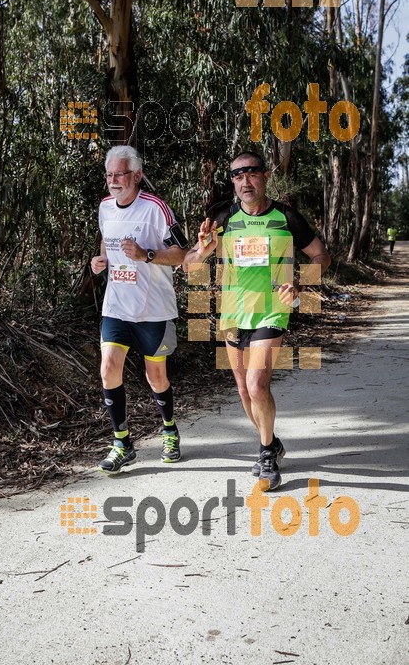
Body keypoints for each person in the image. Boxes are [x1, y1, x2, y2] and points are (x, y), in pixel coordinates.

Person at [183, 151, 331, 490]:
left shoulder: (287, 217)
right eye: (237, 175)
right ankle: (273, 442)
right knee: (243, 392)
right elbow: (190, 265)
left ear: (265, 176)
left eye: (251, 173)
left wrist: (301, 283)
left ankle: (265, 452)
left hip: (271, 310)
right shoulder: (221, 217)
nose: (244, 181)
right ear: (232, 182)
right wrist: (203, 251)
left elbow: (322, 255)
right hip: (233, 314)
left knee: (256, 384)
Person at [91, 145, 188, 474]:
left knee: (155, 376)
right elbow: (107, 239)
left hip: (153, 310)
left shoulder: (156, 208)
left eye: (119, 174)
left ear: (137, 175)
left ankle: (170, 429)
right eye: (109, 175)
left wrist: (146, 254)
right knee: (108, 370)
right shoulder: (105, 207)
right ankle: (122, 443)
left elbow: (182, 254)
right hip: (116, 306)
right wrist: (100, 260)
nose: (113, 180)